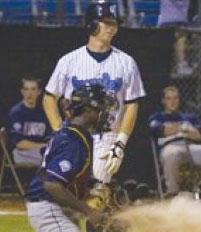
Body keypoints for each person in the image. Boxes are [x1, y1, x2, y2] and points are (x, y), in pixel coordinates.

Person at [0, 84, 112, 232]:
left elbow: (69, 175)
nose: (103, 113)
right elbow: (52, 184)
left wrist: (94, 188)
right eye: (99, 108)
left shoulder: (74, 133)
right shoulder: (72, 140)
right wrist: (89, 211)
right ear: (87, 111)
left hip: (55, 207)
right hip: (49, 208)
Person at [43, 0, 146, 189]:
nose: (111, 28)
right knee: (58, 194)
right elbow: (49, 98)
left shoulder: (126, 63)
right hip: (72, 135)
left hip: (106, 137)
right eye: (105, 22)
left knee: (93, 194)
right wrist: (59, 132)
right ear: (91, 24)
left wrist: (120, 144)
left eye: (114, 23)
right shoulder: (69, 61)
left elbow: (132, 104)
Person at [149, 85, 201, 196]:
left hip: (190, 147)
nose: (172, 101)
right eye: (169, 98)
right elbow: (158, 130)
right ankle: (172, 193)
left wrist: (172, 129)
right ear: (163, 101)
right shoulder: (157, 117)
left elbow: (199, 135)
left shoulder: (189, 117)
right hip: (170, 146)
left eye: (175, 98)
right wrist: (183, 128)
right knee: (171, 155)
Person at [7, 76, 50, 166]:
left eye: (33, 89)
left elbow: (47, 137)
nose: (29, 93)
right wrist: (44, 146)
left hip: (39, 151)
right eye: (26, 89)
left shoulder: (42, 113)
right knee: (51, 161)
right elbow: (20, 144)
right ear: (22, 91)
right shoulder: (17, 113)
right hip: (21, 153)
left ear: (39, 92)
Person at [158, 0, 193, 76]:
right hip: (168, 21)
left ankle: (180, 64)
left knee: (181, 37)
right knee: (180, 37)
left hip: (178, 21)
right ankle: (180, 63)